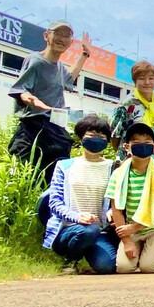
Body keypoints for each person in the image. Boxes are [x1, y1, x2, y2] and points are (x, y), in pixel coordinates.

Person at [8, 20, 92, 184]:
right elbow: (21, 88)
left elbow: (69, 79)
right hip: (35, 127)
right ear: (46, 36)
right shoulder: (36, 60)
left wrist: (85, 54)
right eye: (58, 34)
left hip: (55, 128)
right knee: (27, 176)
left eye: (66, 36)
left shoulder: (59, 66)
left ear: (70, 42)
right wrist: (30, 99)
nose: (62, 39)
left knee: (54, 179)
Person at [42, 115, 118, 274]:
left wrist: (112, 212)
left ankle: (89, 253)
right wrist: (76, 217)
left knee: (107, 266)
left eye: (101, 136)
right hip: (69, 229)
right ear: (81, 137)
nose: (96, 139)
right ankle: (70, 259)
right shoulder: (64, 166)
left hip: (100, 231)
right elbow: (55, 203)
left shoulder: (112, 167)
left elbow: (116, 199)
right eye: (91, 135)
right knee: (87, 231)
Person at [105, 122, 154, 274]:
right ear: (127, 147)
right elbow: (116, 209)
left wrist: (136, 227)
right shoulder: (118, 174)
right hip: (131, 228)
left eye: (147, 143)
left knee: (148, 267)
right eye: (136, 142)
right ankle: (144, 250)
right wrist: (126, 241)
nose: (142, 146)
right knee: (124, 268)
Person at [110, 60, 154, 161]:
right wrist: (122, 156)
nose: (147, 82)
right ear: (135, 81)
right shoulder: (127, 103)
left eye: (151, 78)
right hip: (130, 159)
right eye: (141, 78)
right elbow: (114, 135)